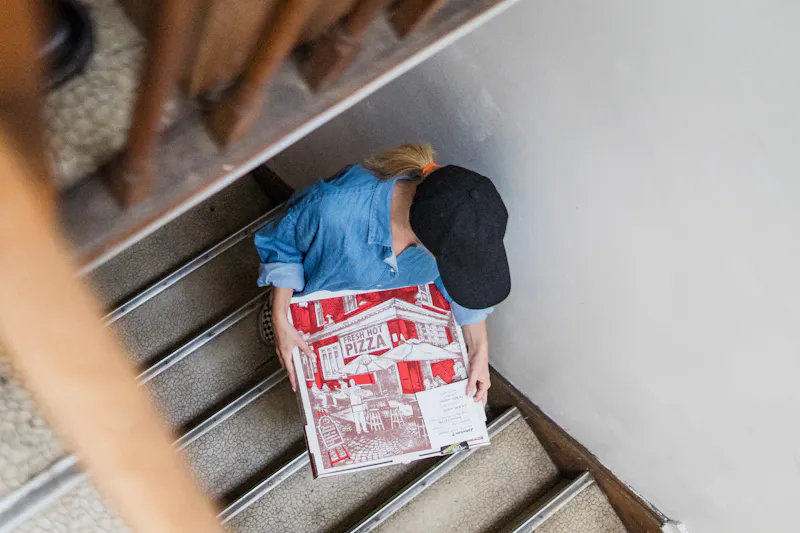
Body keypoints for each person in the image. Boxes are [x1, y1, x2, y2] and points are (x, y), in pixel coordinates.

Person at [255, 143, 511, 405]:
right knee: (282, 330)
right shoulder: (331, 209)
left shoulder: (448, 229)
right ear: (428, 241)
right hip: (311, 296)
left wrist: (480, 349)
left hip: (374, 317)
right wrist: (279, 316)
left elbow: (462, 286)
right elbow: (282, 247)